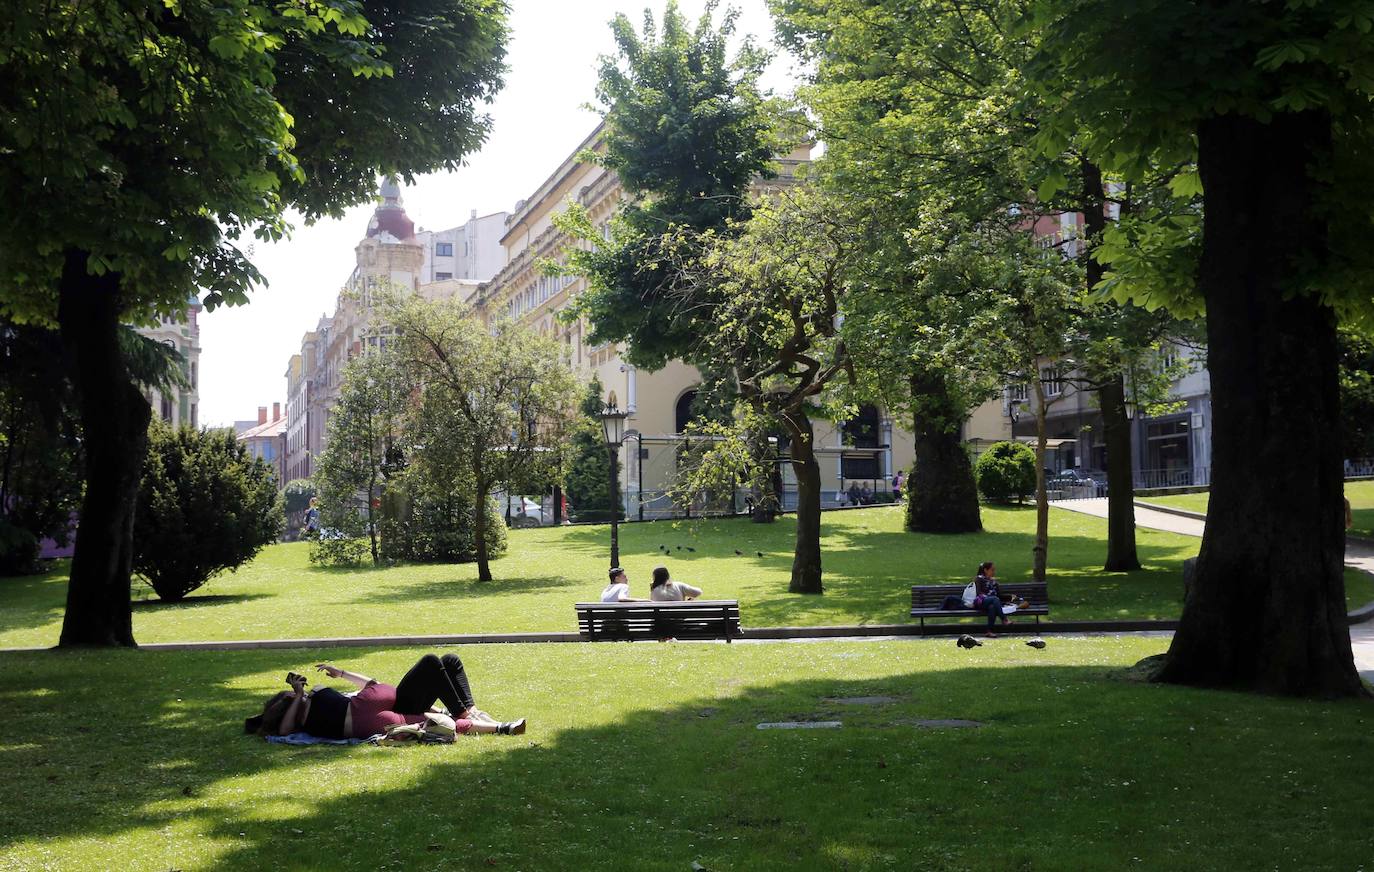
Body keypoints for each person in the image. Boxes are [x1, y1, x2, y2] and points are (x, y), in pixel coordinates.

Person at [244, 653, 526, 740]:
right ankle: (498, 726)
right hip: (375, 717)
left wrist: (340, 673)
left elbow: (370, 684)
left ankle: (475, 713)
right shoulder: (299, 716)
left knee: (448, 661)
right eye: (292, 694)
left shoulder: (313, 699)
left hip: (391, 700)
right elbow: (284, 731)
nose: (299, 691)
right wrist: (298, 696)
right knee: (436, 717)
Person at [973, 561, 1013, 636]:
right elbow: (978, 593)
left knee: (992, 607)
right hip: (981, 602)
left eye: (994, 570)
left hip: (992, 603)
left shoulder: (993, 581)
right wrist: (989, 598)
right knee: (994, 599)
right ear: (985, 570)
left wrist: (1011, 597)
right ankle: (1004, 619)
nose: (994, 572)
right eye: (992, 570)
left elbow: (999, 595)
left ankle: (989, 631)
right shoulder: (979, 579)